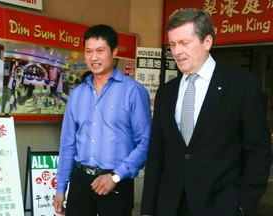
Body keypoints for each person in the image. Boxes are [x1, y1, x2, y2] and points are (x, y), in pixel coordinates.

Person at [141, 8, 272, 216]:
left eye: (184, 43)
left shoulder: (241, 85)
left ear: (207, 42)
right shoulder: (166, 93)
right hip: (169, 206)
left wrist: (240, 204)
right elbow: (156, 155)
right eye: (173, 44)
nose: (177, 51)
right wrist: (147, 209)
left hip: (220, 206)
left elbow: (259, 152)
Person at [53, 24, 151, 216]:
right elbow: (68, 143)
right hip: (81, 182)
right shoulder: (77, 94)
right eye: (88, 51)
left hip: (116, 182)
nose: (93, 57)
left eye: (100, 51)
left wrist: (116, 176)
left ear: (114, 52)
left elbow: (147, 141)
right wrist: (60, 188)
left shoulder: (133, 92)